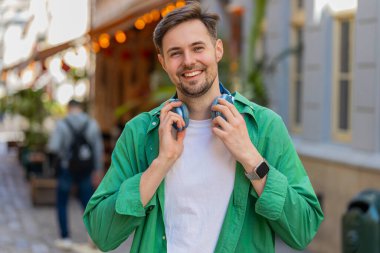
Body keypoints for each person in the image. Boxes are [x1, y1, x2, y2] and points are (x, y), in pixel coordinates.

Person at [83, 2, 324, 253]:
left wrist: (251, 158)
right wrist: (161, 162)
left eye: (198, 48)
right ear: (163, 62)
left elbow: (303, 230)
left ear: (217, 50)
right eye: (175, 53)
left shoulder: (264, 127)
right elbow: (102, 234)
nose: (188, 61)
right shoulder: (140, 133)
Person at [47, 99, 104, 250]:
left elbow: (53, 147)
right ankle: (93, 238)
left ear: (69, 108)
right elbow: (98, 150)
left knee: (62, 202)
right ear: (81, 108)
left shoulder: (62, 124)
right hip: (86, 169)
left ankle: (65, 238)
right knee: (87, 202)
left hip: (66, 168)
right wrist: (98, 170)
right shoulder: (91, 124)